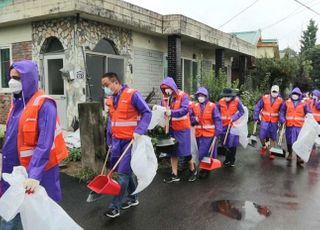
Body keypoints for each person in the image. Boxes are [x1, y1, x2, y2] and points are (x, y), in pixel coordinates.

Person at [0, 60, 68, 229]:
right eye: (11, 77)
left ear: (28, 79)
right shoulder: (17, 104)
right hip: (14, 172)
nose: (11, 82)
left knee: (40, 217)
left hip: (38, 173)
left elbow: (44, 144)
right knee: (10, 215)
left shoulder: (45, 104)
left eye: (16, 78)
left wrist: (34, 175)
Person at [102, 72, 151, 218]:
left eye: (106, 85)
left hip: (131, 141)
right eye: (103, 86)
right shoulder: (111, 99)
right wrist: (109, 140)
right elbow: (111, 121)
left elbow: (147, 113)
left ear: (115, 82)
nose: (105, 88)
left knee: (122, 175)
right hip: (117, 141)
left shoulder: (132, 95)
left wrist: (139, 131)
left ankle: (114, 207)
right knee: (124, 172)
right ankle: (133, 197)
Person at [159, 77, 197, 183]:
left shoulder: (183, 96)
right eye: (164, 89)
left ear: (172, 87)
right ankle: (174, 174)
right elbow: (162, 110)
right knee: (173, 152)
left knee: (186, 152)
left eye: (168, 88)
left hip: (182, 129)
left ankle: (193, 170)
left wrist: (172, 112)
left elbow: (185, 109)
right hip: (171, 129)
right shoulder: (165, 98)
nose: (166, 90)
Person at [189, 87, 222, 178]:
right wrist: (194, 120)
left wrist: (218, 131)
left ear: (206, 96)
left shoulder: (212, 106)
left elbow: (217, 119)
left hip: (209, 134)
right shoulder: (194, 106)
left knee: (207, 152)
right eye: (199, 95)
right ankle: (203, 168)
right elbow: (190, 118)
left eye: (202, 95)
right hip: (198, 134)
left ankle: (205, 170)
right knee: (200, 152)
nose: (200, 97)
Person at [279, 87, 310, 165]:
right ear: (291, 94)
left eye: (296, 94)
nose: (295, 95)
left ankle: (298, 157)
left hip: (299, 126)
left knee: (299, 141)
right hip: (289, 125)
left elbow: (308, 113)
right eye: (293, 94)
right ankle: (290, 154)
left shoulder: (304, 103)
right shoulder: (287, 102)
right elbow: (282, 112)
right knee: (289, 140)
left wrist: (309, 118)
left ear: (299, 95)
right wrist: (282, 119)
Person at [253, 85, 283, 159]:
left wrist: (282, 119)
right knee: (261, 135)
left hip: (274, 121)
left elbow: (282, 111)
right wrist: (256, 116)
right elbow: (258, 107)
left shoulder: (280, 100)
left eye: (276, 91)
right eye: (273, 91)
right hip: (265, 120)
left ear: (278, 92)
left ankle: (272, 152)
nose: (274, 93)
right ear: (271, 91)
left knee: (273, 137)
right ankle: (264, 146)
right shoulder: (264, 98)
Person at [218, 88, 245, 167]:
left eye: (228, 96)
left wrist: (234, 118)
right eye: (225, 96)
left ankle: (232, 159)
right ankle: (227, 158)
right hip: (223, 125)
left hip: (233, 125)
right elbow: (217, 112)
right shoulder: (221, 101)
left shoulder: (236, 101)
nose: (226, 97)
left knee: (232, 143)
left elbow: (241, 111)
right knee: (225, 142)